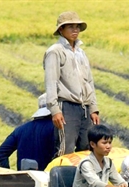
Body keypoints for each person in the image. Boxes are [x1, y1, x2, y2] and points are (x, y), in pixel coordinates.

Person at [44, 11, 100, 156]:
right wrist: (55, 110)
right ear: (61, 30)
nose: (75, 30)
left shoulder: (81, 53)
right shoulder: (55, 52)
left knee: (88, 149)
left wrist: (93, 107)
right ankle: (60, 177)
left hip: (85, 107)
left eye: (77, 27)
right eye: (70, 27)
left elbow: (89, 81)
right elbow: (51, 82)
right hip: (67, 107)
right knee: (65, 150)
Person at [0, 94, 55, 171]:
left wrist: (8, 175)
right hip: (46, 180)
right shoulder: (56, 129)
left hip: (23, 180)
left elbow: (1, 153)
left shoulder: (20, 130)